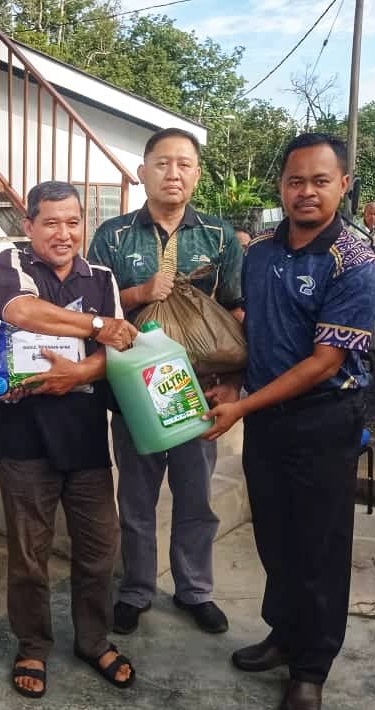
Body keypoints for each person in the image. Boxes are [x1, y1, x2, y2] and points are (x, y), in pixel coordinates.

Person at [202, 133, 375, 710]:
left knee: (320, 549)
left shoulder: (354, 261)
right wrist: (236, 387)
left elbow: (323, 362)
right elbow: (260, 336)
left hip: (324, 421)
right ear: (281, 186)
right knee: (276, 537)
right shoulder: (258, 253)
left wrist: (245, 404)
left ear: (343, 184)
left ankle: (311, 668)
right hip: (266, 422)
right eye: (295, 181)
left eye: (320, 180)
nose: (306, 191)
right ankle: (283, 635)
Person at [0, 181, 139, 699]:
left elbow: (117, 350)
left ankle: (93, 640)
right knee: (29, 552)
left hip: (86, 434)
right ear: (29, 226)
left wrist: (81, 371)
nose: (63, 233)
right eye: (50, 222)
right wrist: (96, 325)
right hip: (25, 436)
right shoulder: (13, 263)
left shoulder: (104, 277)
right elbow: (20, 313)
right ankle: (32, 644)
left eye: (72, 222)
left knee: (99, 546)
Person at [88, 127, 244, 637]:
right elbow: (94, 313)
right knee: (135, 498)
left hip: (197, 391)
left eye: (183, 164)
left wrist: (233, 383)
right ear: (142, 172)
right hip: (136, 392)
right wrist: (140, 291)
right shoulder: (113, 236)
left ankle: (195, 589)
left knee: (195, 496)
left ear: (197, 174)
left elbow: (236, 313)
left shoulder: (219, 237)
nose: (172, 173)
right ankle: (135, 589)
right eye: (161, 163)